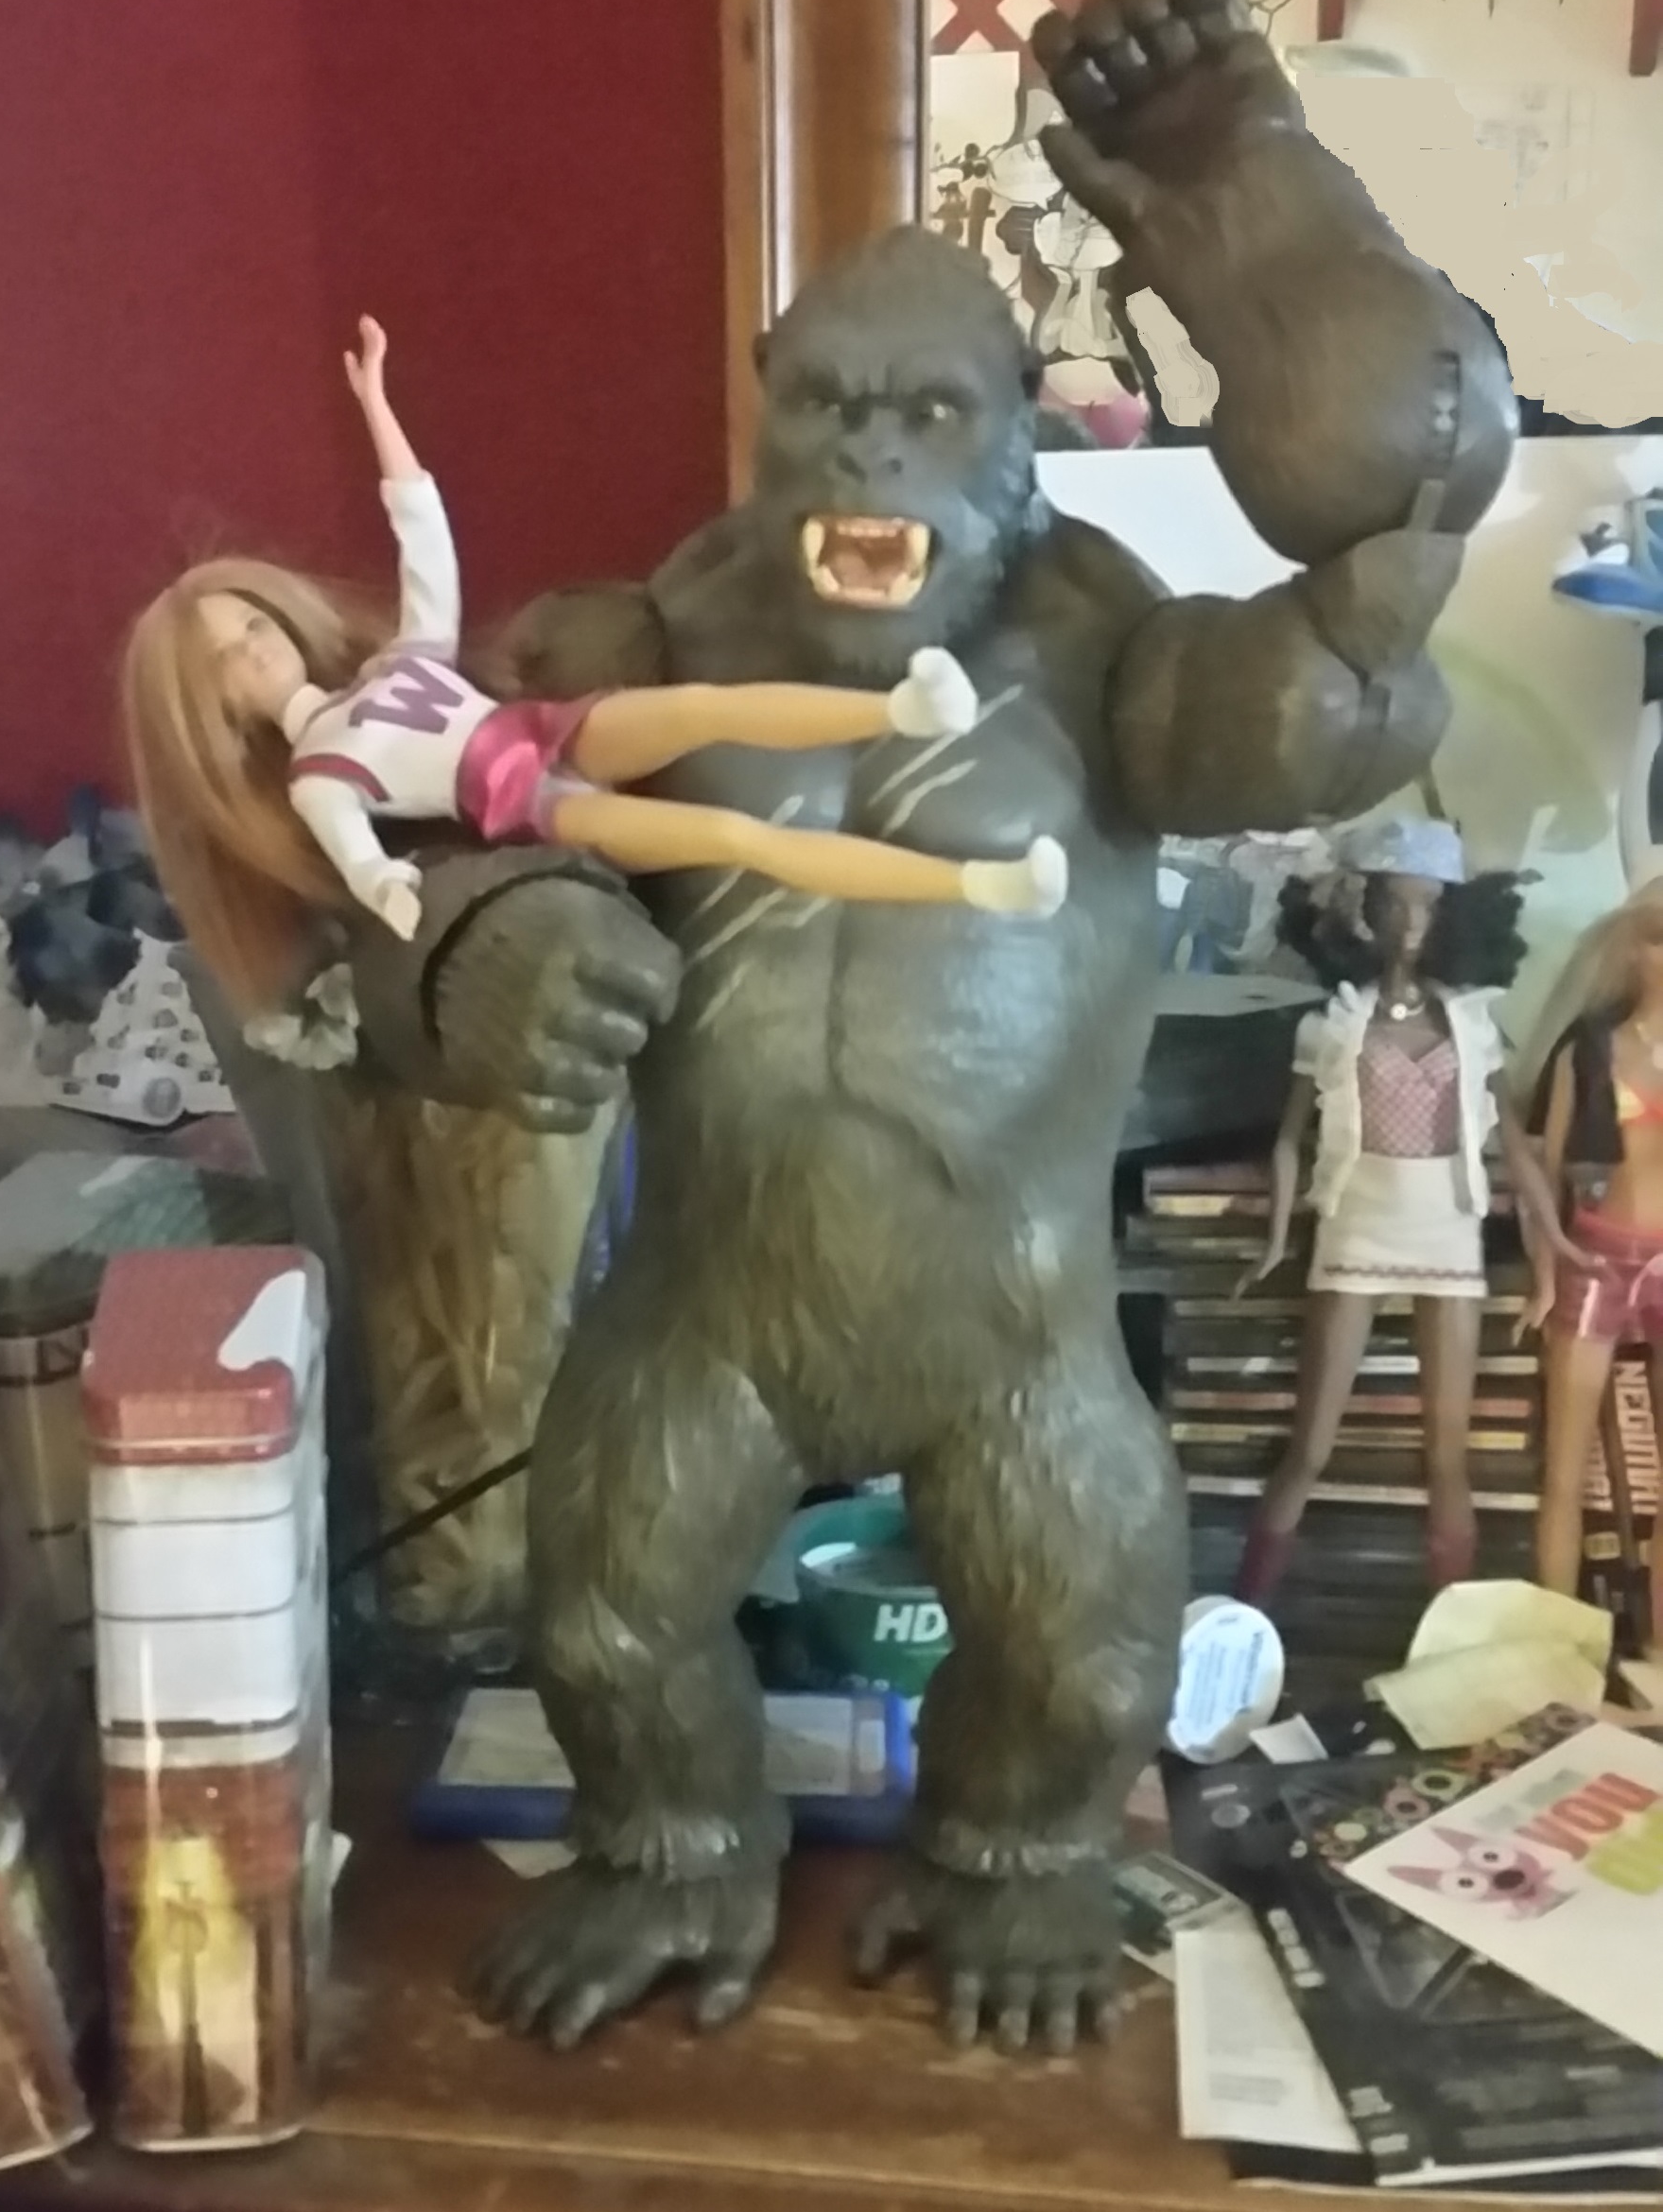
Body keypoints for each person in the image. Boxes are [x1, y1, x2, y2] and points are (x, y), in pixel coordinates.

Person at [121, 320, 1067, 1019]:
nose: (252, 648)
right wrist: (384, 889)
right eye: (225, 663)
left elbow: (425, 546)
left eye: (251, 623)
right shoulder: (321, 773)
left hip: (543, 729)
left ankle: (901, 708)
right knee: (737, 837)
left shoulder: (390, 666)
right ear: (218, 714)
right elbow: (358, 855)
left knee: (704, 707)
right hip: (527, 802)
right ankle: (978, 885)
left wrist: (376, 405)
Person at [1233, 818, 1585, 1603]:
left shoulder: (1472, 1022)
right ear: (1362, 909)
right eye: (1393, 903)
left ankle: (1446, 1631)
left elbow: (1513, 1145)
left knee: (1447, 1457)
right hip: (1354, 1224)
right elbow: (1288, 1140)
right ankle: (1241, 1614)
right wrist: (1276, 1236)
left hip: (1448, 1230)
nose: (1410, 922)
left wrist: (1553, 1244)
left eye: (1427, 905)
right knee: (1308, 1446)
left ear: (1452, 915)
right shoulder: (1331, 1022)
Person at [1524, 885, 1663, 1647]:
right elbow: (1546, 1171)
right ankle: (1560, 1650)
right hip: (1595, 1254)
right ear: (1632, 949)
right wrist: (1545, 1270)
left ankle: (1659, 1659)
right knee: (1563, 1470)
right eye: (1658, 939)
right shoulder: (1591, 1047)